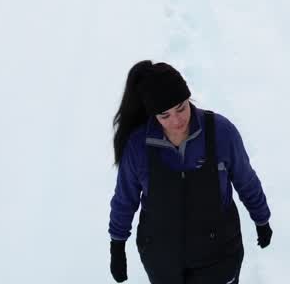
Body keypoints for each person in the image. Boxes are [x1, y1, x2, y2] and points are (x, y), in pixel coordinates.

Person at [108, 60, 272, 284]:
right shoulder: (139, 146)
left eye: (181, 108)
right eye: (164, 115)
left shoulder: (221, 133)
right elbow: (124, 199)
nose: (176, 121)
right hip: (162, 260)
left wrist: (262, 219)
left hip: (219, 255)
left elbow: (246, 180)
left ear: (188, 98)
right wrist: (117, 245)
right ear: (153, 114)